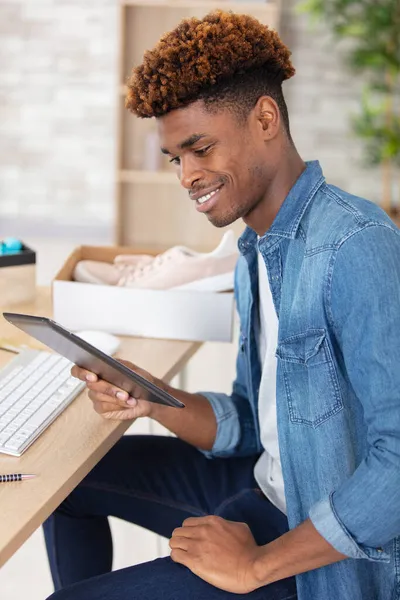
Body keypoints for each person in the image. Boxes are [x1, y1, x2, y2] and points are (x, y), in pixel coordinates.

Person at [44, 10, 400, 600]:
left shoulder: (355, 247)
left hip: (323, 553)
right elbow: (246, 420)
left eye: (200, 147)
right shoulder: (255, 248)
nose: (187, 175)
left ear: (265, 118)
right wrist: (151, 396)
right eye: (176, 158)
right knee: (68, 481)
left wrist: (256, 567)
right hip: (265, 486)